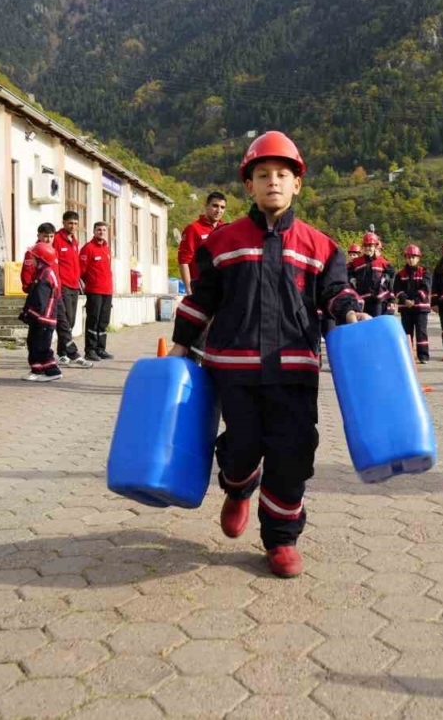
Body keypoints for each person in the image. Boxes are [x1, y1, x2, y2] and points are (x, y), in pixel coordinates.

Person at [169, 131, 365, 578]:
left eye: (282, 174)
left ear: (297, 184)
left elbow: (335, 290)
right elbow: (201, 300)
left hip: (295, 371)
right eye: (263, 175)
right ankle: (238, 488)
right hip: (233, 371)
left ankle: (280, 538)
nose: (273, 181)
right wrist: (181, 344)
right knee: (240, 449)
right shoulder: (220, 244)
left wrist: (349, 310)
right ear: (249, 186)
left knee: (293, 453)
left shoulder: (322, 246)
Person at [20, 241, 63, 382]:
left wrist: (29, 314)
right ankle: (37, 369)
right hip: (39, 319)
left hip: (44, 319)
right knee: (32, 343)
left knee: (41, 346)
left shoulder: (45, 275)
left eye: (33, 257)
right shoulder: (42, 272)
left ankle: (52, 371)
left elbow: (40, 301)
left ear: (40, 259)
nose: (30, 259)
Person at [53, 211, 91, 368]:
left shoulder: (74, 241)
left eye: (75, 223)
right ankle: (64, 353)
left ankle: (63, 352)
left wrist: (80, 281)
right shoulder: (56, 239)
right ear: (63, 223)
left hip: (74, 285)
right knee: (65, 320)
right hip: (62, 286)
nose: (73, 226)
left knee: (71, 321)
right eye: (70, 223)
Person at [178, 191, 227, 294]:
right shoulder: (193, 229)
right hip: (200, 289)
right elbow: (184, 261)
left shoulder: (225, 229)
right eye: (215, 206)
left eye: (222, 207)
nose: (219, 210)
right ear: (206, 206)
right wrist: (188, 289)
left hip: (221, 289)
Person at [82, 221, 115, 361]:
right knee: (93, 320)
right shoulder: (88, 248)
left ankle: (101, 349)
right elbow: (82, 271)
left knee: (103, 321)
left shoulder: (107, 248)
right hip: (94, 290)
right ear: (94, 231)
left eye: (103, 230)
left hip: (107, 291)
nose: (101, 232)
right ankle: (90, 350)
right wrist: (91, 283)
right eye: (99, 230)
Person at [393, 244, 432, 364]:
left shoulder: (425, 272)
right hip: (406, 308)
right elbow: (397, 290)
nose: (411, 259)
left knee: (421, 332)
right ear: (406, 258)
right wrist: (405, 300)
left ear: (418, 258)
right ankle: (408, 355)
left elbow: (425, 288)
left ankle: (423, 356)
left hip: (420, 308)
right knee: (407, 333)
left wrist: (414, 300)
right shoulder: (400, 274)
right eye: (409, 257)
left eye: (413, 257)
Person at [350, 232, 395, 317]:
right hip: (361, 300)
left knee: (376, 326)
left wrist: (391, 299)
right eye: (366, 245)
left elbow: (392, 276)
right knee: (364, 326)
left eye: (370, 246)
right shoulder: (356, 262)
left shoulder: (382, 262)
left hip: (377, 300)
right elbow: (347, 273)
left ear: (375, 247)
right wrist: (352, 279)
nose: (368, 248)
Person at [21, 223, 57, 292]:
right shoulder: (32, 253)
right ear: (38, 236)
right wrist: (32, 289)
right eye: (45, 236)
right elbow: (27, 274)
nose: (49, 240)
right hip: (41, 289)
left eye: (51, 236)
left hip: (53, 290)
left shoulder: (54, 251)